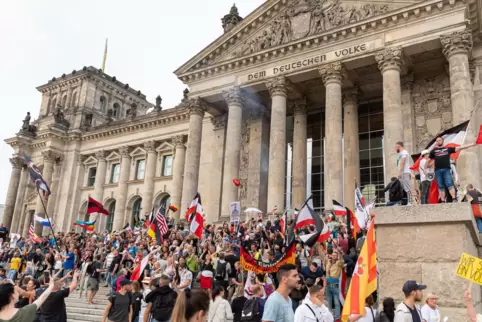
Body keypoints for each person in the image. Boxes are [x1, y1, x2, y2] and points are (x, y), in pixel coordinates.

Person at [428, 136, 475, 202]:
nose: (438, 141)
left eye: (439, 140)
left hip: (446, 170)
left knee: (449, 184)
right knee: (440, 186)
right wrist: (427, 166)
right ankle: (442, 200)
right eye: (437, 141)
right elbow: (428, 162)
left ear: (442, 141)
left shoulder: (448, 149)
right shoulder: (433, 151)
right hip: (437, 171)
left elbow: (460, 147)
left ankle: (454, 198)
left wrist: (471, 144)